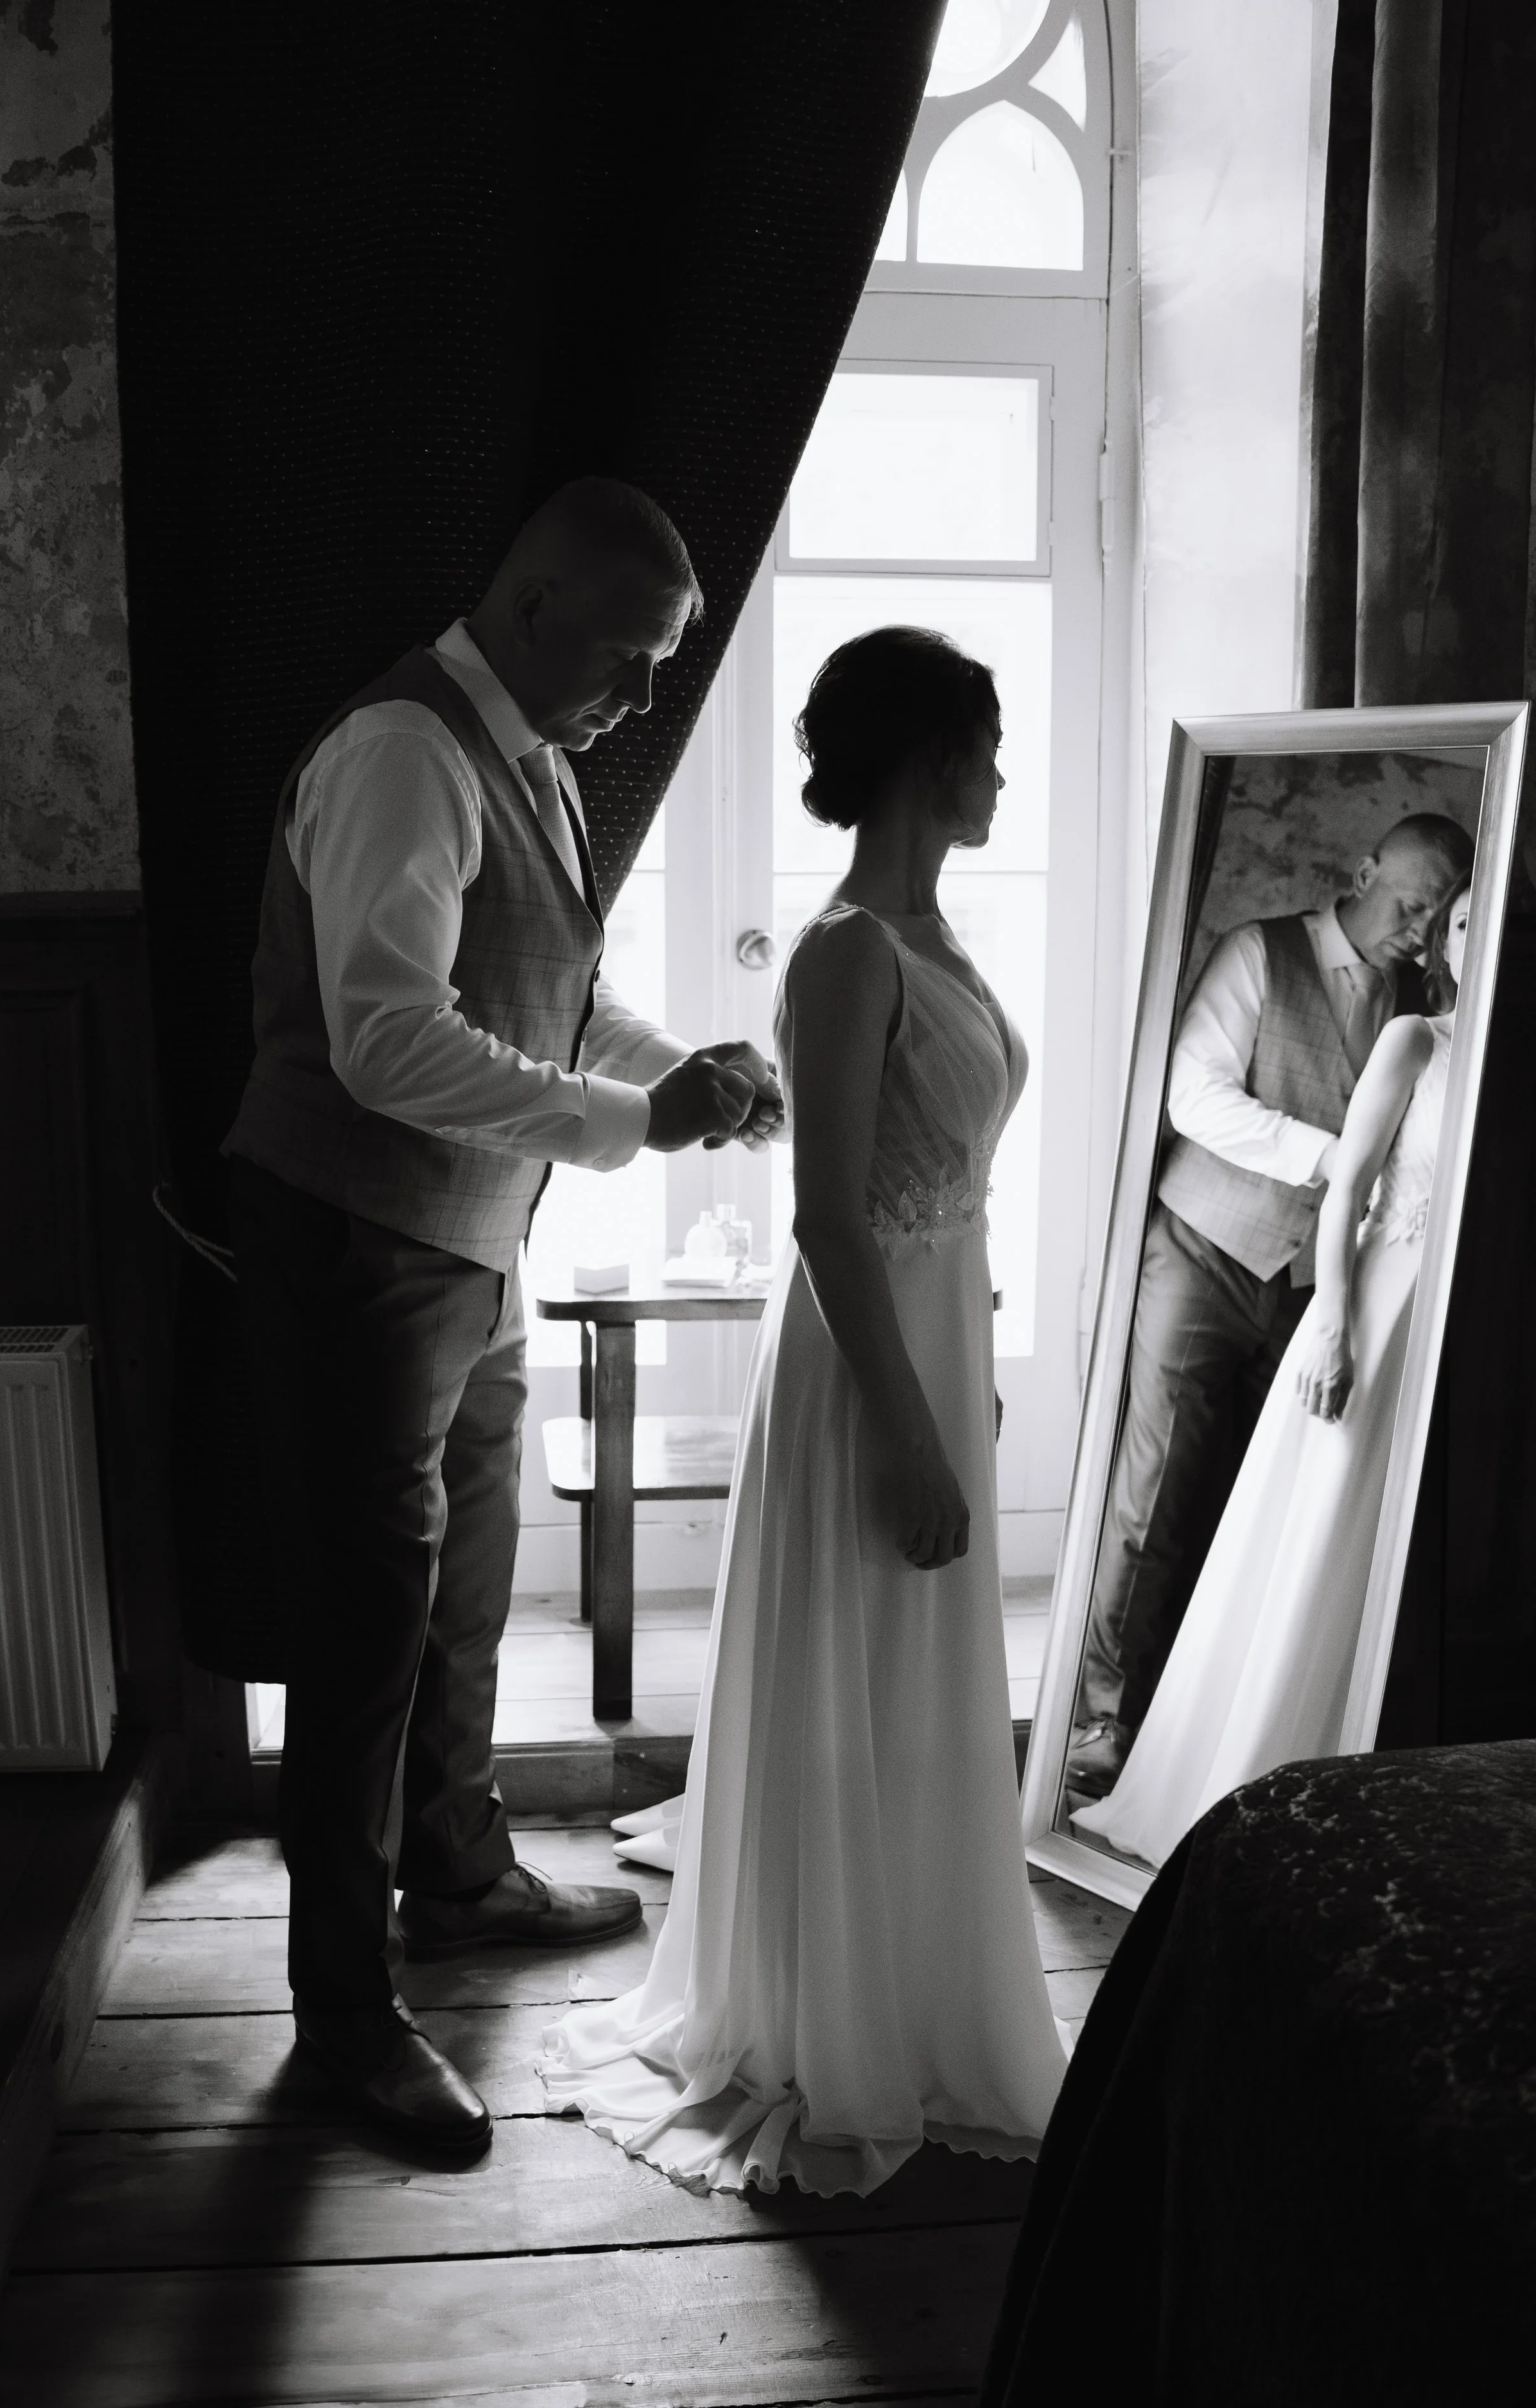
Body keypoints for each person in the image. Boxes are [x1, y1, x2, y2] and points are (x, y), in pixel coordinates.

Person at [224, 478, 783, 2152]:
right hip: (357, 1242)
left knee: (468, 1574)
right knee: (365, 1624)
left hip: (464, 1241)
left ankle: (456, 1877)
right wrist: (639, 1128)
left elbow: (551, 984)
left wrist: (679, 1065)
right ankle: (341, 2019)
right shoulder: (403, 750)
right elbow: (386, 1038)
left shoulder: (528, 753)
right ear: (535, 603)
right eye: (628, 656)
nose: (639, 699)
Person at [538, 627, 1067, 2197]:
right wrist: (907, 1429)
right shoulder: (844, 953)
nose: (996, 776)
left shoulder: (935, 934)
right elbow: (828, 1219)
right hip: (856, 1370)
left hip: (926, 1338)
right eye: (983, 747)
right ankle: (832, 2009)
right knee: (858, 1653)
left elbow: (941, 1193)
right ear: (924, 760)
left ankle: (910, 1979)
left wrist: (961, 1364)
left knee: (918, 1681)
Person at [1068, 813, 1474, 1799]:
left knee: (1239, 1509)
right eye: (1410, 902)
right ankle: (1098, 1723)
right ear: (1364, 865)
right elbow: (1194, 1097)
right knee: (1153, 1494)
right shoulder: (1259, 950)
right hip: (1206, 1250)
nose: (1420, 929)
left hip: (1312, 1290)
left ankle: (1189, 1723)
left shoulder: (1427, 1003)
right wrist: (1332, 1159)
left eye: (1440, 914)